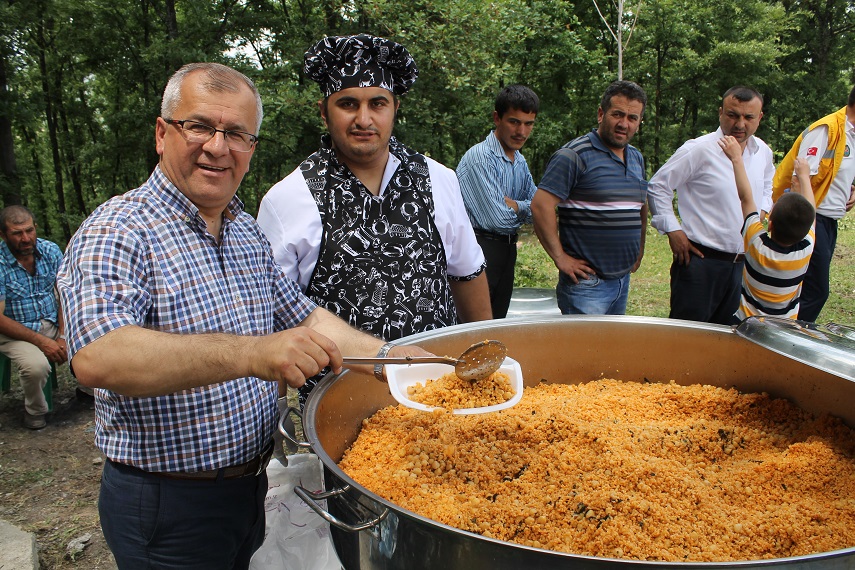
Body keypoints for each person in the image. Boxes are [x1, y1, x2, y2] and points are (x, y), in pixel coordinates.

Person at [56, 62, 422, 570]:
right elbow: (100, 357)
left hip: (248, 486)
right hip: (167, 503)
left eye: (237, 134)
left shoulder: (244, 230)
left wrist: (394, 359)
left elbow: (306, 318)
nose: (217, 147)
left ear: (251, 147)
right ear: (163, 134)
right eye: (199, 126)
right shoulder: (118, 229)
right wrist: (254, 353)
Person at [257, 34, 491, 407]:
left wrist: (482, 368)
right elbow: (272, 316)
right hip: (338, 403)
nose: (363, 119)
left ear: (395, 107)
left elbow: (468, 274)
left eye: (377, 104)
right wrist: (273, 411)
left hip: (439, 389)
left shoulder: (438, 180)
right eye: (347, 104)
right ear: (324, 110)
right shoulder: (288, 200)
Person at [647, 86, 775, 325]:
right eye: (732, 115)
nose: (740, 124)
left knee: (729, 339)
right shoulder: (699, 149)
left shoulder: (763, 152)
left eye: (748, 117)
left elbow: (769, 183)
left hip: (744, 266)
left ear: (760, 118)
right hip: (701, 263)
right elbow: (658, 186)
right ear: (720, 113)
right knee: (687, 337)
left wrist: (763, 210)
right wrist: (673, 230)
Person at [530, 79, 649, 315]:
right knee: (585, 352)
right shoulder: (574, 155)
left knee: (610, 350)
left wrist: (639, 251)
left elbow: (640, 206)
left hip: (622, 281)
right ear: (600, 113)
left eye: (632, 118)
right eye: (618, 114)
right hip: (586, 286)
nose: (624, 124)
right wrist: (560, 258)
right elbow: (540, 206)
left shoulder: (636, 158)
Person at [770, 85, 855, 323]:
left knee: (809, 289)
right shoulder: (827, 130)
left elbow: (835, 172)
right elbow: (799, 179)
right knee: (815, 292)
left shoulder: (851, 135)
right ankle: (791, 340)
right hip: (811, 220)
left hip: (828, 222)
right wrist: (805, 226)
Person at [456, 85, 539, 318]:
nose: (521, 131)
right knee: (474, 325)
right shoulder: (480, 158)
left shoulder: (518, 160)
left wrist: (516, 205)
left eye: (528, 124)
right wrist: (524, 207)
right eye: (514, 122)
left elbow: (539, 207)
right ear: (497, 118)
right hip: (480, 249)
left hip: (506, 250)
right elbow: (498, 220)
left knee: (497, 323)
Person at [719, 136, 816, 321]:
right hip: (783, 329)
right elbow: (812, 213)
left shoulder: (757, 244)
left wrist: (736, 158)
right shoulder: (806, 249)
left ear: (769, 223)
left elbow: (746, 198)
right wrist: (804, 177)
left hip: (747, 324)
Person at [0, 206, 66, 430]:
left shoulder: (50, 251)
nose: (25, 238)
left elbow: (65, 295)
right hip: (14, 331)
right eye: (17, 233)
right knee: (36, 366)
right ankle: (36, 412)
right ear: (3, 235)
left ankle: (89, 392)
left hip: (52, 323)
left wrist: (64, 335)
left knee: (97, 339)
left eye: (29, 230)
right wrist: (42, 342)